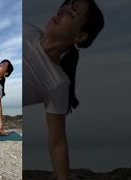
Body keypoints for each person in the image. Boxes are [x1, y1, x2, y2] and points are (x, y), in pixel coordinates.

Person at [23, 0, 104, 179]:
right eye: (66, 5)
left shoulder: (58, 83)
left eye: (73, 13)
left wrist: (63, 177)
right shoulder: (24, 30)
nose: (63, 10)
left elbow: (57, 142)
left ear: (80, 37)